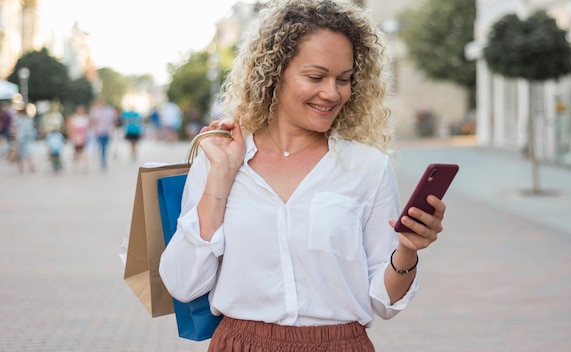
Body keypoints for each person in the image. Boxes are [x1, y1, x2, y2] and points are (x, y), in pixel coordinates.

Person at [159, 1, 448, 350]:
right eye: (315, 77)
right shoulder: (221, 159)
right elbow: (183, 284)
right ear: (274, 73)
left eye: (344, 79)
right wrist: (221, 176)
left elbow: (382, 302)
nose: (333, 92)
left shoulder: (367, 167)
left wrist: (407, 250)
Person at [89, 98, 118, 170]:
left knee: (105, 146)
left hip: (108, 131)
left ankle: (103, 159)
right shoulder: (95, 111)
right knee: (102, 146)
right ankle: (103, 160)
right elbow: (93, 121)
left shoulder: (109, 110)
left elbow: (114, 120)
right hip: (99, 132)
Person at [12, 104, 36, 173]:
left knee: (22, 152)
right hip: (25, 137)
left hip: (22, 137)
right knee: (27, 152)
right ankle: (30, 166)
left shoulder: (18, 118)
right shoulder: (28, 118)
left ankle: (23, 167)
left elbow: (16, 128)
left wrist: (15, 137)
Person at [66, 105, 90, 173]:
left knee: (82, 151)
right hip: (76, 136)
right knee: (76, 151)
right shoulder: (75, 118)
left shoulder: (85, 118)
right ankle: (76, 165)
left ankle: (84, 165)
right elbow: (71, 127)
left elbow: (87, 128)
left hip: (82, 136)